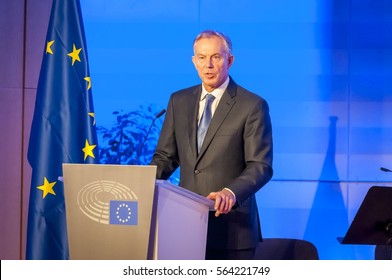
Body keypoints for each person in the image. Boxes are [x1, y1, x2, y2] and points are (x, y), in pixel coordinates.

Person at [150, 30, 273, 260]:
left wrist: (231, 192)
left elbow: (260, 166)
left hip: (232, 230)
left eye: (216, 57)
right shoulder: (179, 100)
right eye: (202, 57)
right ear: (194, 61)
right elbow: (165, 158)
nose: (208, 65)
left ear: (230, 60)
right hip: (184, 228)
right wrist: (140, 183)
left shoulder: (252, 105)